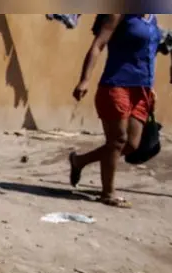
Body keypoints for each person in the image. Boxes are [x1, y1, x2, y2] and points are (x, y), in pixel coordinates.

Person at [68, 14, 161, 208]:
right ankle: (107, 193)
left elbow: (149, 54)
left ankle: (79, 161)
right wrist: (85, 79)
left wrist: (151, 86)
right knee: (117, 140)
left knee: (132, 145)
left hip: (142, 89)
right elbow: (98, 45)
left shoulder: (152, 18)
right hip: (117, 84)